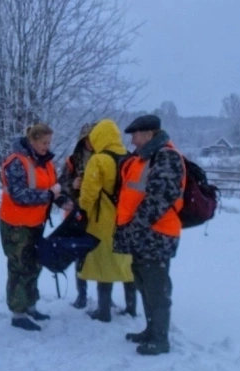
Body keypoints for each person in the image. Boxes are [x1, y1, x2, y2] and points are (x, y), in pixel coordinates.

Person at [114, 114, 185, 356]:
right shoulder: (144, 158)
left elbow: (159, 199)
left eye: (135, 135)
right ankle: (151, 330)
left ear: (149, 134)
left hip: (157, 234)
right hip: (144, 234)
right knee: (145, 283)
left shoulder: (166, 157)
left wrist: (135, 226)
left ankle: (160, 338)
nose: (132, 140)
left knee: (156, 286)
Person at [0, 123, 72, 332]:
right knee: (19, 267)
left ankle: (30, 305)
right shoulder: (16, 162)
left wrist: (61, 201)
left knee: (34, 264)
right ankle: (18, 313)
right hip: (15, 226)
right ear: (32, 140)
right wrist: (49, 195)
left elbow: (51, 189)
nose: (47, 146)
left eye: (49, 142)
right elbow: (19, 195)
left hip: (35, 223)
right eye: (43, 142)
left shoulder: (46, 162)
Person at [76, 119, 136, 322]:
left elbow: (88, 195)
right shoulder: (131, 158)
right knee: (127, 264)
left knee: (104, 264)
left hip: (104, 220)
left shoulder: (99, 160)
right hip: (127, 219)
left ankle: (103, 311)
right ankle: (131, 307)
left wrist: (82, 213)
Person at [58, 122, 95, 309]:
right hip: (78, 214)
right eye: (88, 138)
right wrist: (73, 185)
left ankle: (106, 296)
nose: (91, 142)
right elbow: (60, 186)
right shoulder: (73, 161)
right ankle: (82, 294)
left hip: (100, 214)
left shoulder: (108, 158)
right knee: (80, 256)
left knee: (102, 255)